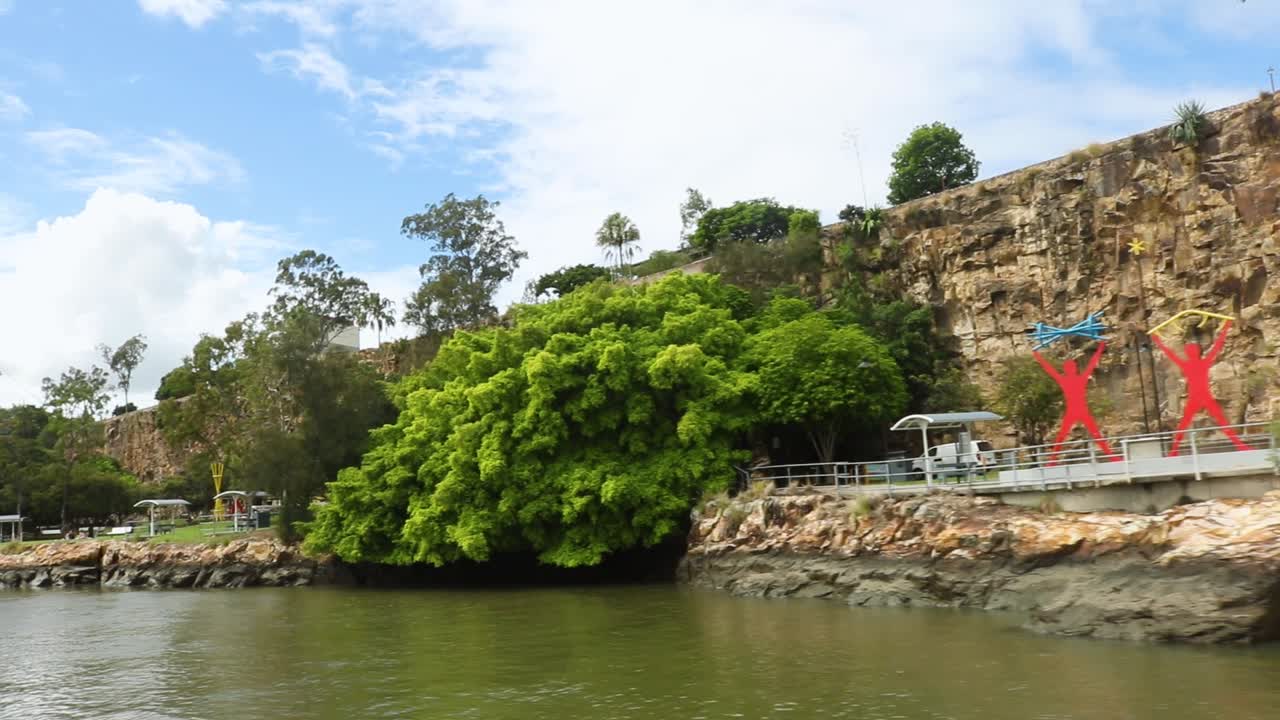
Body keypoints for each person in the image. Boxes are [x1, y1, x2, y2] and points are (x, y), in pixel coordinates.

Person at [1151, 320, 1251, 455]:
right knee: (1220, 421)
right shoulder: (1203, 362)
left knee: (1187, 423)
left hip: (1197, 396)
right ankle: (1240, 446)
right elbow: (1217, 347)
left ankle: (1174, 451)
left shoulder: (1187, 365)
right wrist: (1225, 328)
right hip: (1202, 395)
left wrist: (1157, 340)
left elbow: (1171, 355)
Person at [1033, 342, 1114, 464]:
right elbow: (1091, 364)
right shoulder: (1078, 378)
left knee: (1066, 435)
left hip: (1075, 409)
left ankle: (1052, 461)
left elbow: (1050, 370)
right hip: (1077, 409)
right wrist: (1100, 348)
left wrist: (1038, 357)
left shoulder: (1066, 379)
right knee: (1092, 433)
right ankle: (1111, 457)